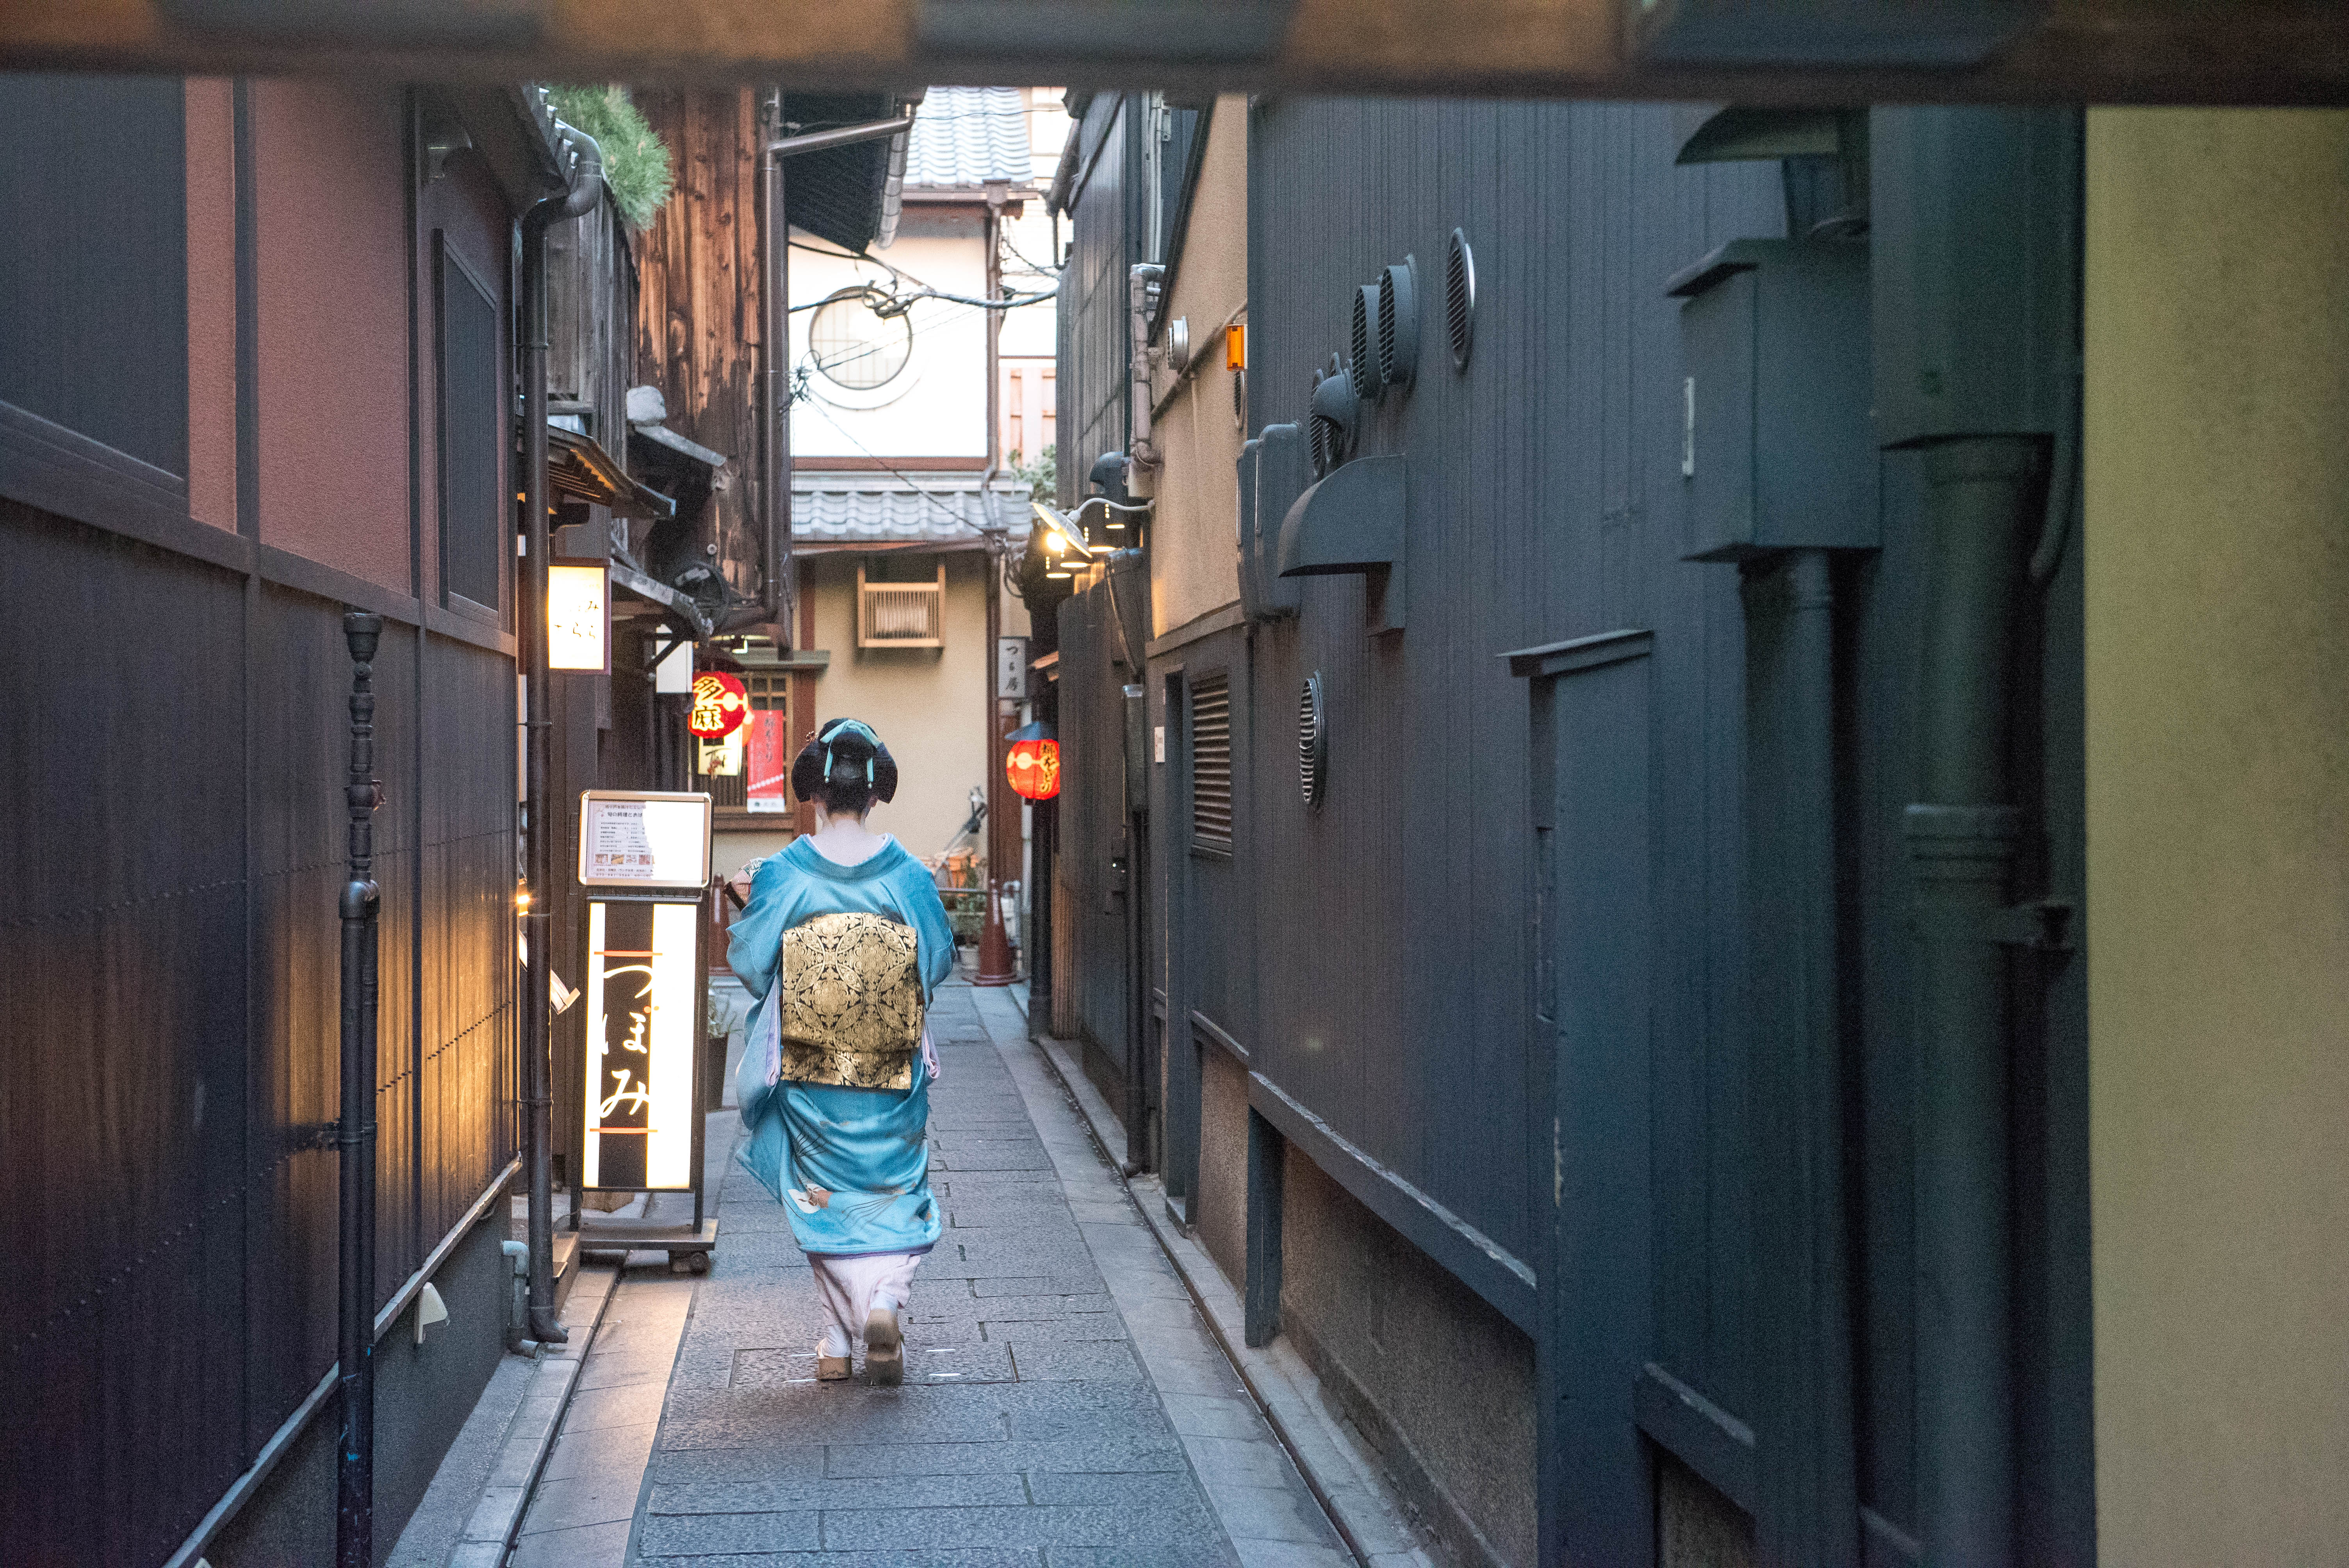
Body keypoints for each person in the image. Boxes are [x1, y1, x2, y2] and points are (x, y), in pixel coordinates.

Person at [729, 719, 955, 1385]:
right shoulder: (908, 875)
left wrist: (754, 902)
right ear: (876, 795)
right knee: (895, 1191)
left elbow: (750, 962)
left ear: (814, 795)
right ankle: (885, 1301)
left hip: (812, 1070)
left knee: (819, 1194)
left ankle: (834, 1342)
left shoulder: (783, 873)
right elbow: (937, 963)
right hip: (891, 1068)